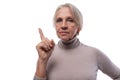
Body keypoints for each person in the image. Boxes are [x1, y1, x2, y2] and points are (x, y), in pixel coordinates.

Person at [33, 3, 120, 80]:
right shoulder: (47, 54)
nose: (63, 25)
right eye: (59, 20)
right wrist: (42, 60)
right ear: (55, 26)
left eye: (70, 20)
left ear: (79, 27)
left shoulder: (94, 53)